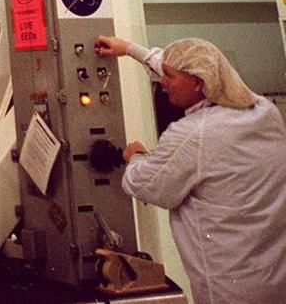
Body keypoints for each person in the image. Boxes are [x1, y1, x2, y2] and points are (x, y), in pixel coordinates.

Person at [94, 35, 286, 304]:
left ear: (198, 83)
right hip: (276, 279)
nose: (162, 83)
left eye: (169, 77)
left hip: (228, 288)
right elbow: (190, 65)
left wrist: (135, 157)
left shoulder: (191, 134)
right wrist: (129, 50)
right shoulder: (264, 111)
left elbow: (145, 185)